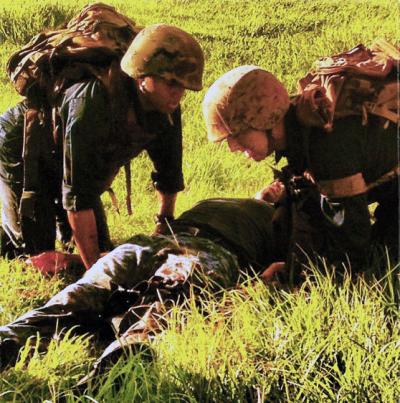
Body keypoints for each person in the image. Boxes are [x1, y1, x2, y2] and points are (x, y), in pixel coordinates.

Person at [0, 23, 204, 269]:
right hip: (23, 148)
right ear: (141, 76)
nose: (178, 93)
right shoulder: (92, 102)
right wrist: (96, 270)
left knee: (99, 248)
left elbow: (169, 169)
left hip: (72, 162)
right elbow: (78, 197)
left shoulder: (166, 106)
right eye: (171, 83)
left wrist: (164, 222)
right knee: (35, 255)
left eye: (183, 86)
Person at [0, 197, 282, 374]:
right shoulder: (258, 212)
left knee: (155, 297)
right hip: (173, 245)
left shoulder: (271, 217)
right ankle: (13, 338)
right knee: (105, 293)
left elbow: (278, 274)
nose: (272, 188)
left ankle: (122, 357)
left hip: (176, 247)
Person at [202, 61, 398, 275]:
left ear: (265, 119)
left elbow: (350, 238)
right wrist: (295, 264)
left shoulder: (327, 147)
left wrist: (303, 277)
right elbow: (310, 210)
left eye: (236, 134)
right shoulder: (301, 130)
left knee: (383, 259)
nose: (232, 147)